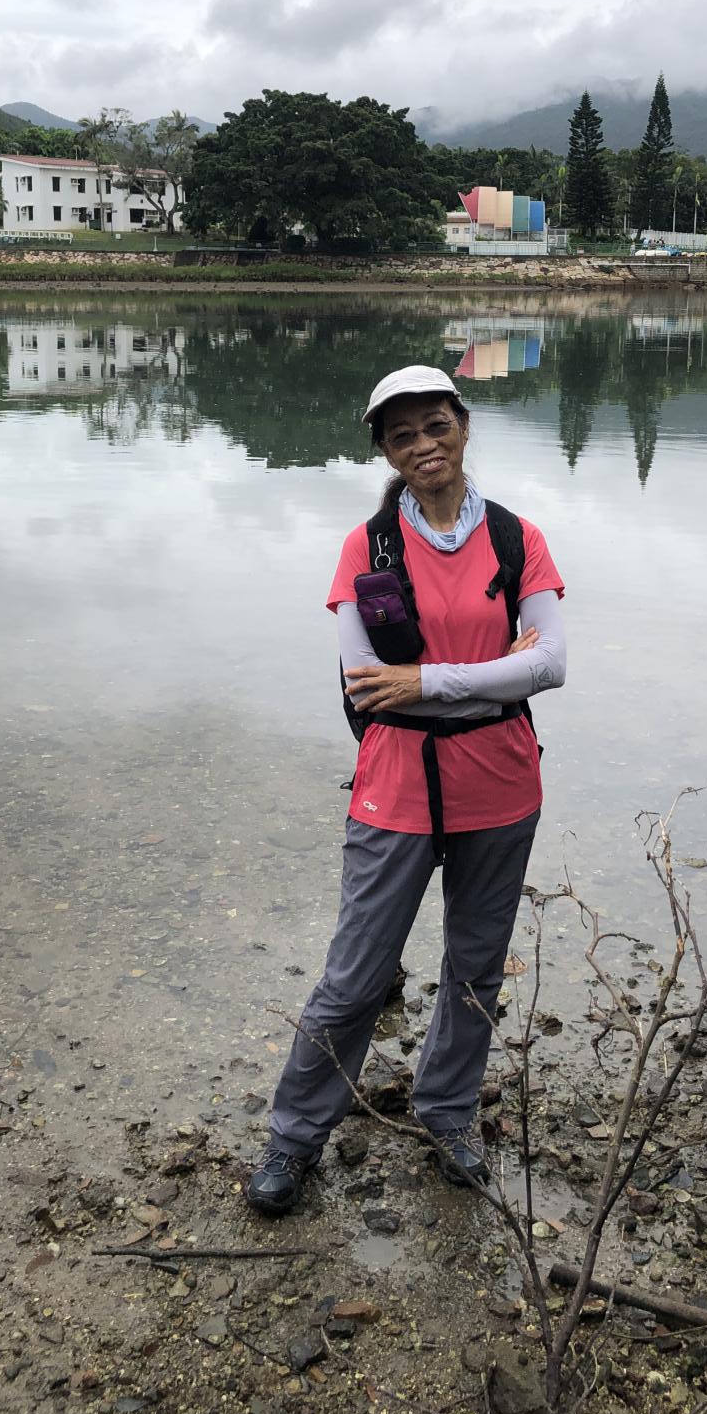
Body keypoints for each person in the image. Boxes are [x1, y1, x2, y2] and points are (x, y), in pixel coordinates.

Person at [247, 365, 566, 1215]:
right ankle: (294, 1137)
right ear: (385, 452)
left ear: (463, 426)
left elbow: (551, 665)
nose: (423, 446)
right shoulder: (369, 548)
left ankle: (449, 1113)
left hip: (501, 783)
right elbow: (366, 685)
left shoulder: (516, 539)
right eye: (402, 436)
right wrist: (490, 674)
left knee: (476, 970)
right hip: (396, 784)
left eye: (436, 426)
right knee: (356, 975)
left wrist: (426, 679)